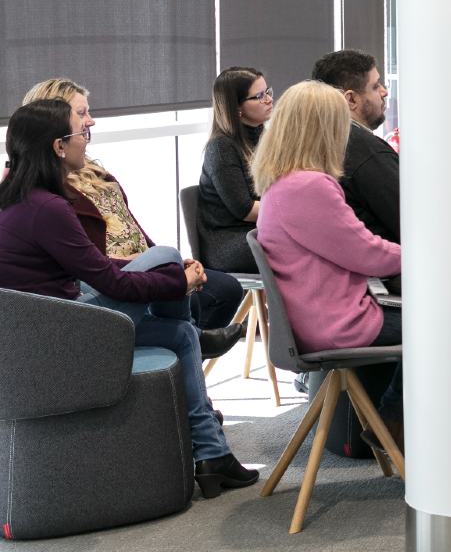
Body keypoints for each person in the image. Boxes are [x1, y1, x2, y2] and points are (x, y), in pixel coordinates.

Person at [0, 100, 258, 497]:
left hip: (41, 328)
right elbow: (114, 285)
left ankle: (212, 453)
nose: (86, 140)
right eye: (79, 133)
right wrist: (180, 283)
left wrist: (171, 279)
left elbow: (96, 270)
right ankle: (210, 451)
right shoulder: (48, 208)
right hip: (61, 334)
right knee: (168, 258)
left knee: (179, 334)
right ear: (57, 147)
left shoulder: (16, 197)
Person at [21, 78, 247, 341]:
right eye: (82, 114)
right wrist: (166, 269)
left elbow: (131, 226)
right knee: (191, 296)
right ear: (56, 128)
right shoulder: (49, 195)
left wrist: (169, 262)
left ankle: (184, 346)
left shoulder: (94, 171)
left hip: (137, 265)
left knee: (223, 287)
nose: (91, 121)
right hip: (111, 276)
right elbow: (86, 262)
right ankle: (187, 342)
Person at [252, 81, 405, 449]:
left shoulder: (283, 183)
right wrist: (431, 256)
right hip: (338, 325)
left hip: (317, 318)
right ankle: (395, 422)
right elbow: (366, 253)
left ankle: (396, 422)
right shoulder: (310, 187)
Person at [311, 50, 398, 243]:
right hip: (384, 264)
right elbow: (411, 224)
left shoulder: (320, 140)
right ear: (351, 99)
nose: (384, 91)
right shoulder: (365, 153)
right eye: (375, 86)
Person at [199, 66, 272, 273]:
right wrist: (291, 210)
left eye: (267, 92)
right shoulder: (221, 147)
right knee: (307, 244)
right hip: (229, 241)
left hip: (261, 230)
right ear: (237, 107)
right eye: (259, 96)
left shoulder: (263, 136)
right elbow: (245, 210)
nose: (268, 99)